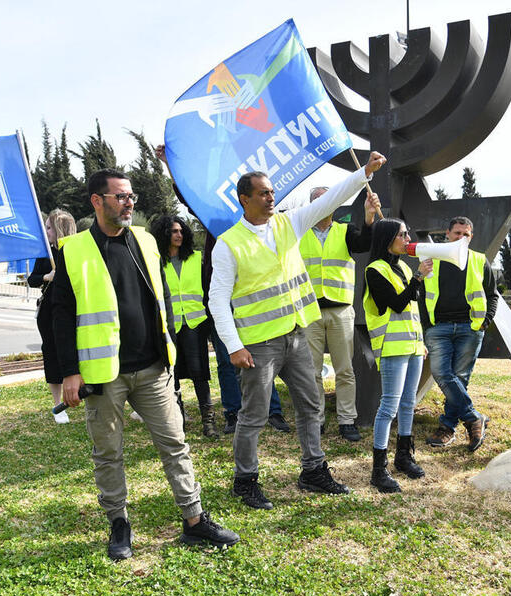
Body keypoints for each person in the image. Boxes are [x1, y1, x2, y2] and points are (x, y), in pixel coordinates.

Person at [53, 168, 238, 560]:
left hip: (154, 368)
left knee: (175, 444)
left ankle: (194, 519)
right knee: (109, 453)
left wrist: (169, 347)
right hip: (104, 376)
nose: (129, 202)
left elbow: (163, 296)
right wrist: (69, 372)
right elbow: (60, 317)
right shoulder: (73, 250)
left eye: (131, 195)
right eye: (120, 196)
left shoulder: (145, 240)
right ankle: (119, 524)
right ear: (97, 201)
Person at [211, 152, 386, 509]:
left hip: (296, 336)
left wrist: (362, 173)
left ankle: (313, 470)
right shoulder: (229, 244)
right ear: (244, 199)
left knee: (311, 405)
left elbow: (332, 197)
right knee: (254, 416)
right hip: (258, 345)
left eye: (272, 192)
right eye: (262, 193)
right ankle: (245, 481)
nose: (270, 197)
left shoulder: (287, 224)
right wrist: (233, 346)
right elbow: (217, 301)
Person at [153, 144, 289, 436]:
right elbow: (187, 196)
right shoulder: (216, 222)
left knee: (263, 357)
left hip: (253, 300)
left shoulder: (265, 223)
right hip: (221, 302)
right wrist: (169, 165)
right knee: (229, 360)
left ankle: (273, 412)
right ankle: (232, 413)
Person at [299, 185, 379, 442]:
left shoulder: (346, 230)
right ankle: (316, 420)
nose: (324, 204)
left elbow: (364, 243)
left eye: (328, 200)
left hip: (341, 310)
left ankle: (347, 420)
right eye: (318, 201)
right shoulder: (298, 234)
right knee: (311, 371)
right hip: (309, 311)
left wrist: (368, 217)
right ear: (310, 206)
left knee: (344, 369)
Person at [363, 218, 431, 492]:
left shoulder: (402, 266)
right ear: (388, 238)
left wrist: (421, 341)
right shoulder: (374, 270)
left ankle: (403, 455)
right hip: (392, 348)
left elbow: (414, 307)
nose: (408, 238)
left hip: (413, 347)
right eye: (403, 234)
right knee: (388, 407)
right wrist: (418, 277)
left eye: (407, 232)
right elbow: (398, 304)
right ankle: (378, 469)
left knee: (407, 404)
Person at [423, 216, 497, 452]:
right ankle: (474, 417)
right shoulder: (432, 259)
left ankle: (447, 427)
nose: (461, 238)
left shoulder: (479, 260)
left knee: (460, 377)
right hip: (439, 327)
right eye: (457, 233)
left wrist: (485, 322)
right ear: (447, 234)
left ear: (471, 236)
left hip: (470, 327)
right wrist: (427, 326)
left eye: (466, 234)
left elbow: (492, 294)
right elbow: (420, 292)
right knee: (442, 374)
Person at [150, 215, 218, 438]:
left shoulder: (196, 258)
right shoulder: (157, 262)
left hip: (195, 324)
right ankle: (178, 421)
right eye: (173, 231)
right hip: (170, 326)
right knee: (173, 374)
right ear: (163, 235)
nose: (178, 235)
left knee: (200, 374)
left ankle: (208, 422)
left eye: (181, 231)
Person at [27, 209, 77, 424]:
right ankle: (58, 404)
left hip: (75, 310)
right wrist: (48, 276)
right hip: (48, 311)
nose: (46, 231)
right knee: (52, 354)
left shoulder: (76, 251)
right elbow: (32, 279)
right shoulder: (45, 254)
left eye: (49, 227)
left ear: (59, 229)